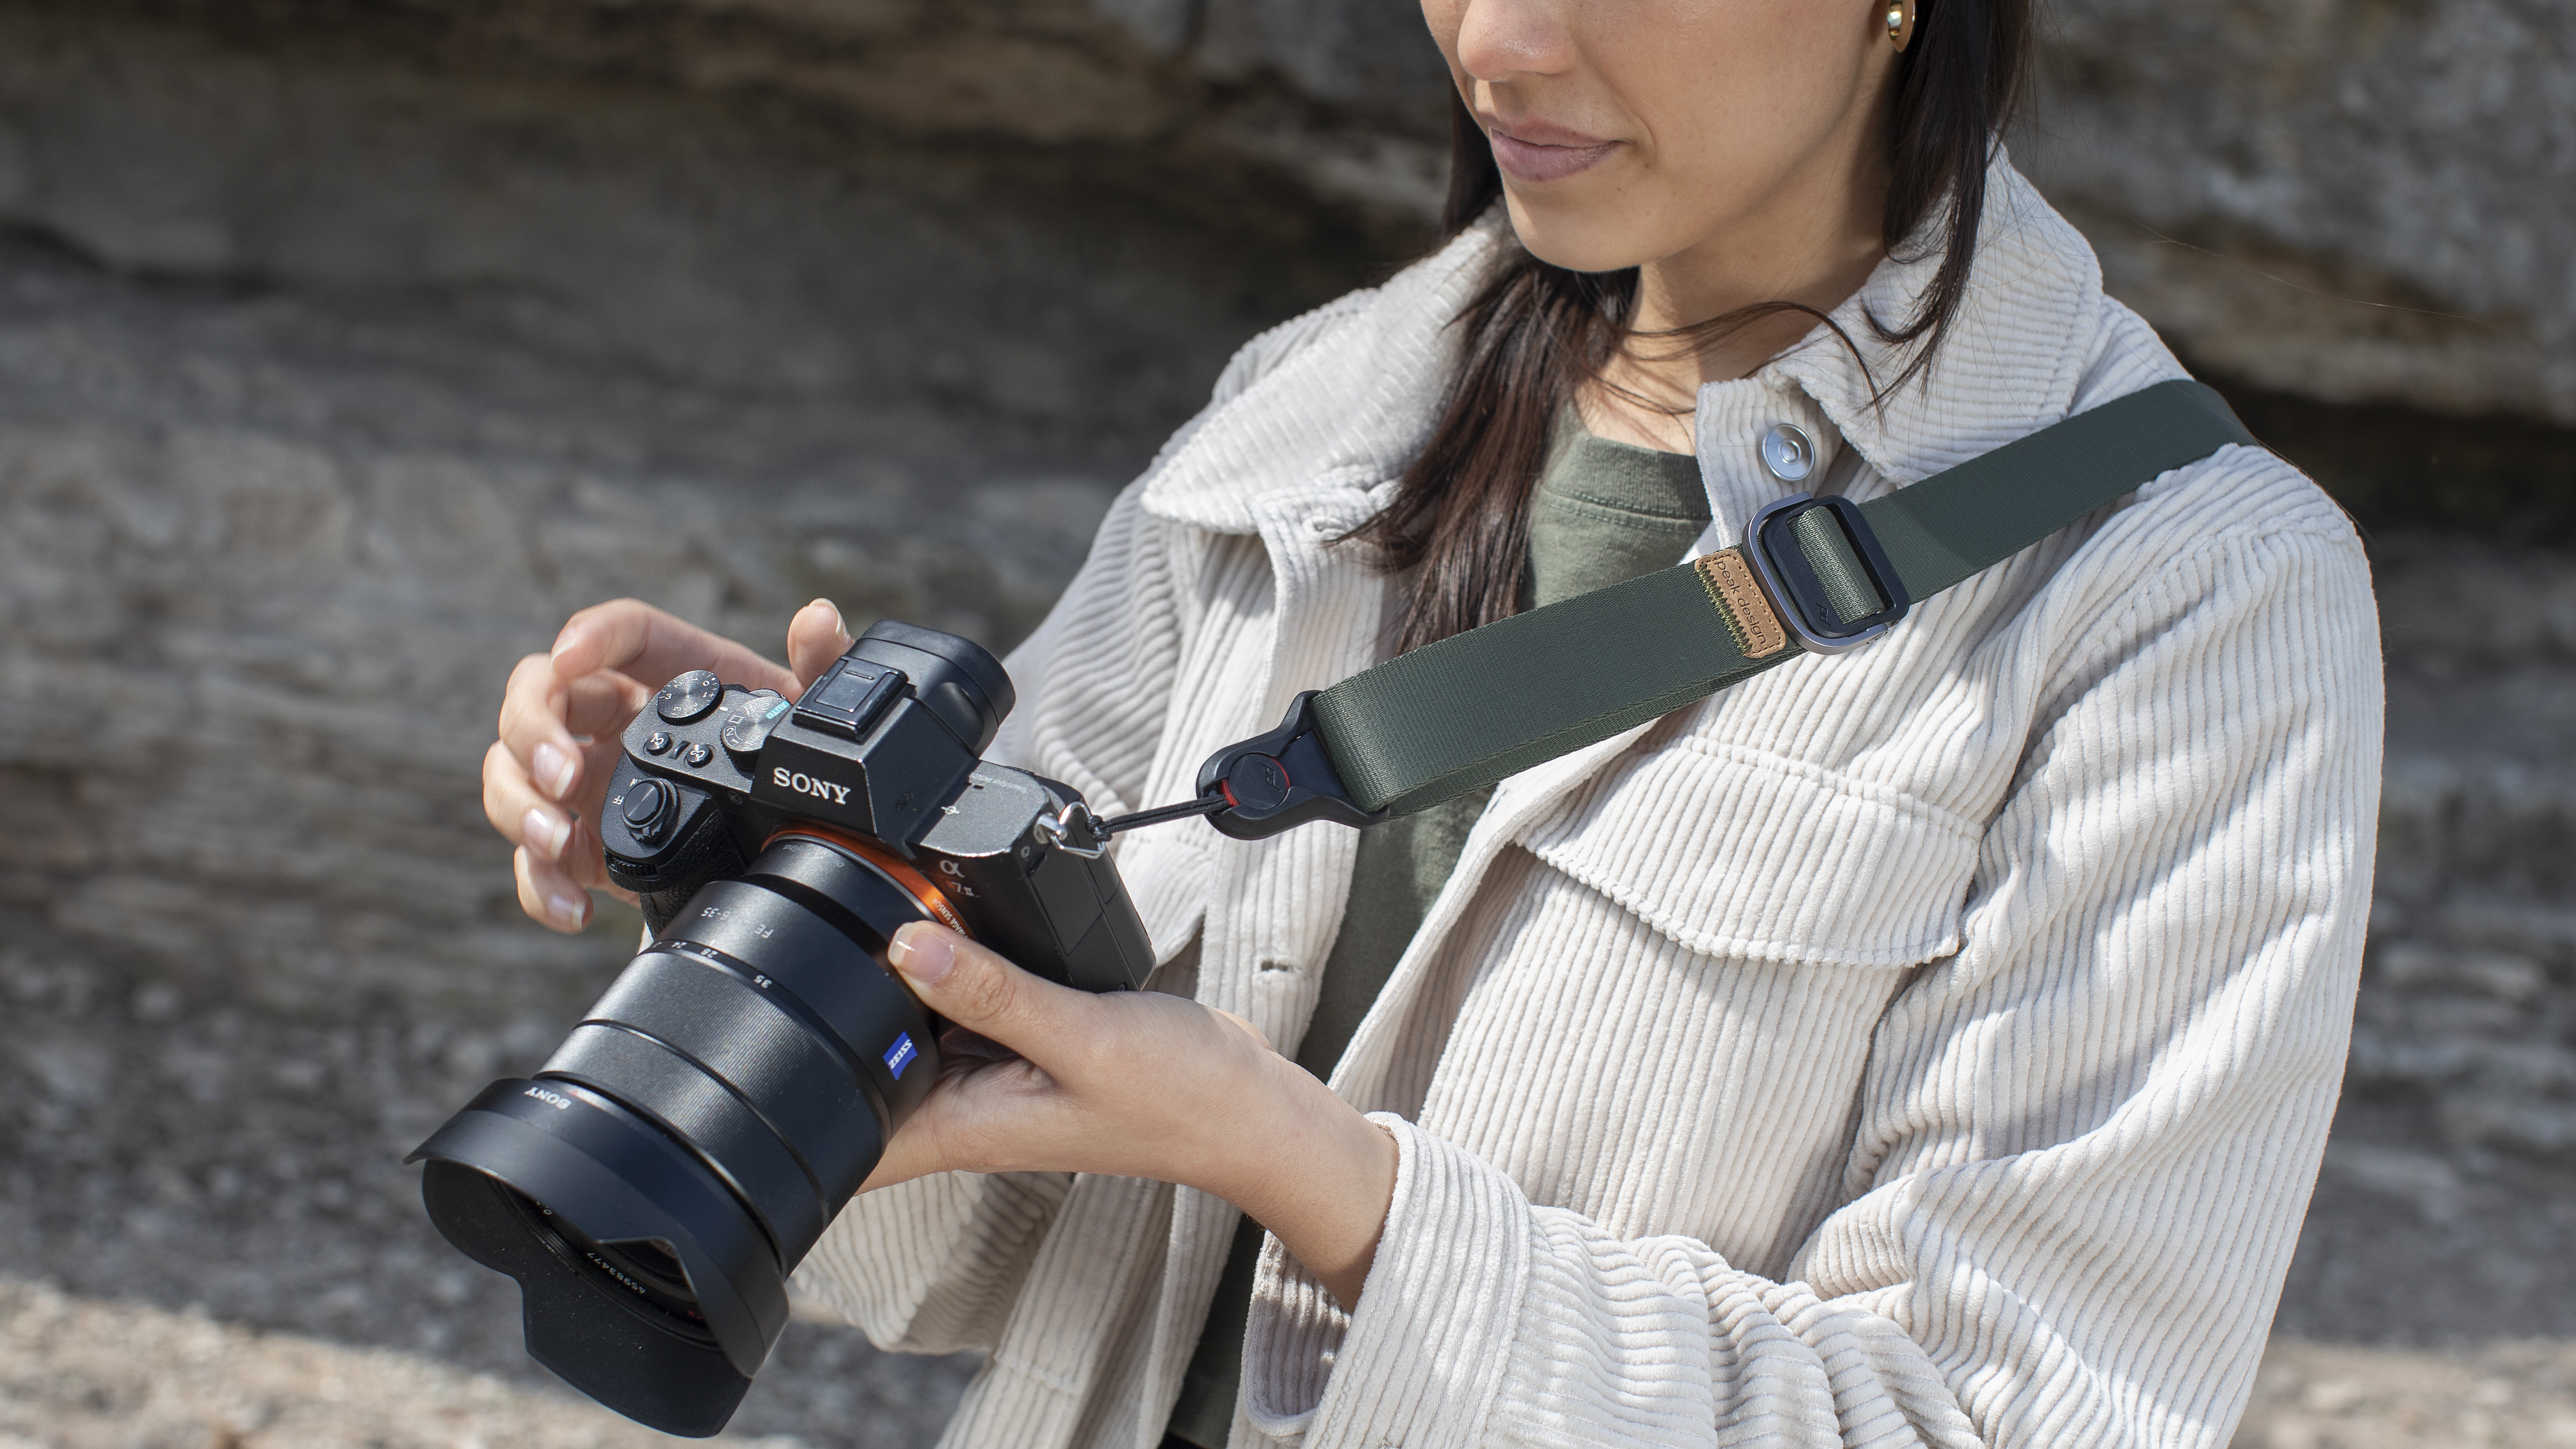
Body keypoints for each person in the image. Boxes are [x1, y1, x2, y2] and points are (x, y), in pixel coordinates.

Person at [481, 0, 2382, 1444]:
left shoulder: (2184, 595)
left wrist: (1333, 1194)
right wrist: (792, 895)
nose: (1494, 40)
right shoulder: (1309, 420)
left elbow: (1997, 1413)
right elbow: (973, 1252)